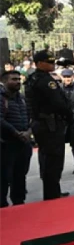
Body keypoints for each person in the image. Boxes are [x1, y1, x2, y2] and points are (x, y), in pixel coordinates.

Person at [25, 51, 72, 200]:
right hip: (49, 123)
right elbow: (58, 102)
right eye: (49, 62)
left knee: (49, 159)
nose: (52, 65)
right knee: (54, 160)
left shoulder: (33, 78)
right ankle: (52, 193)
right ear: (39, 63)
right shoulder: (45, 80)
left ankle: (53, 190)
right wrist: (68, 114)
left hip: (43, 123)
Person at [1, 70, 33, 207]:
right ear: (4, 81)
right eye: (14, 79)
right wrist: (15, 133)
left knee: (20, 175)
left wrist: (28, 132)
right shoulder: (2, 98)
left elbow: (31, 117)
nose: (18, 82)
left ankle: (19, 202)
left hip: (23, 143)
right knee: (4, 176)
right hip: (6, 144)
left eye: (19, 79)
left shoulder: (22, 99)